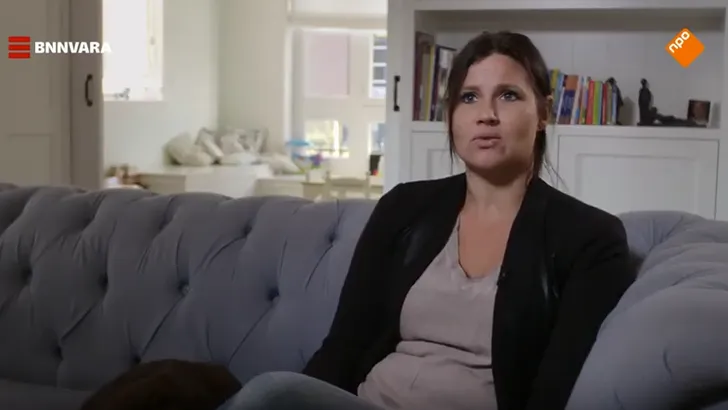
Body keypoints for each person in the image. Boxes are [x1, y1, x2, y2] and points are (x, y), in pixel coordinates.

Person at [221, 31, 635, 410]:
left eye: (508, 95)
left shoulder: (589, 237)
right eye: (469, 98)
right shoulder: (405, 208)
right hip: (364, 403)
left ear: (543, 112)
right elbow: (345, 344)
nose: (486, 114)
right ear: (451, 115)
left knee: (268, 393)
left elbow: (552, 391)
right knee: (247, 392)